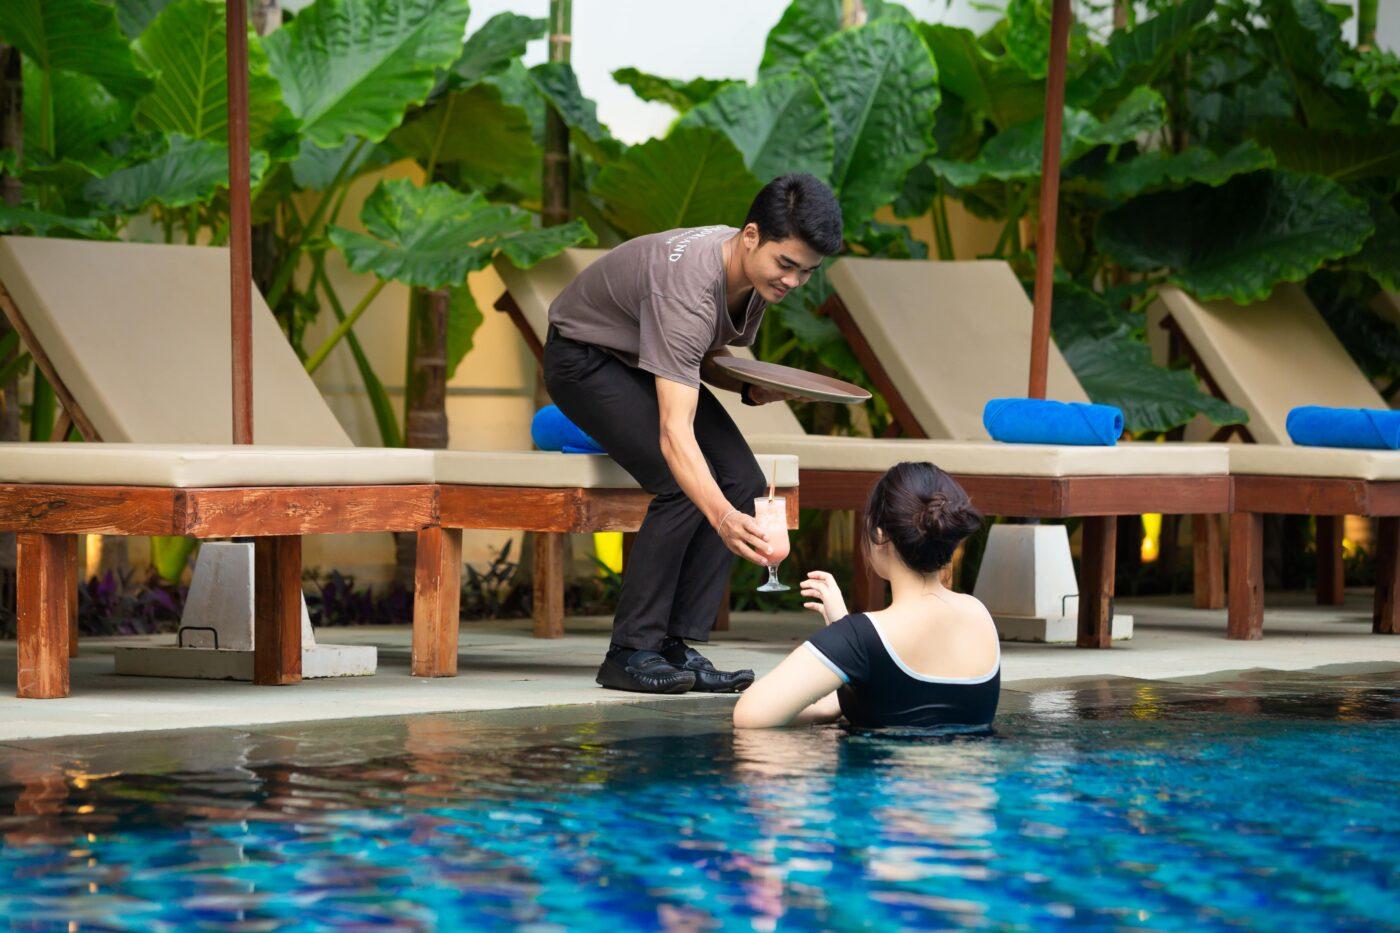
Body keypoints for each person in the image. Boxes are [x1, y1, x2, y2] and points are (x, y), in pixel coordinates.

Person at [542, 173, 844, 694]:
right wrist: (722, 519)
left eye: (806, 271)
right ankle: (629, 651)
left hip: (639, 359)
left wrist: (754, 388)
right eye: (786, 264)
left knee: (743, 481)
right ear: (751, 236)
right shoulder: (689, 286)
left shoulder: (752, 276)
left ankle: (672, 645)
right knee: (682, 484)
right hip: (584, 360)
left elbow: (696, 355)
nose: (793, 281)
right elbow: (674, 434)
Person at [732, 462, 1000, 729]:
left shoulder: (860, 637)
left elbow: (750, 715)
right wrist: (847, 642)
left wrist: (841, 654)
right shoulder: (979, 615)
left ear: (880, 537)